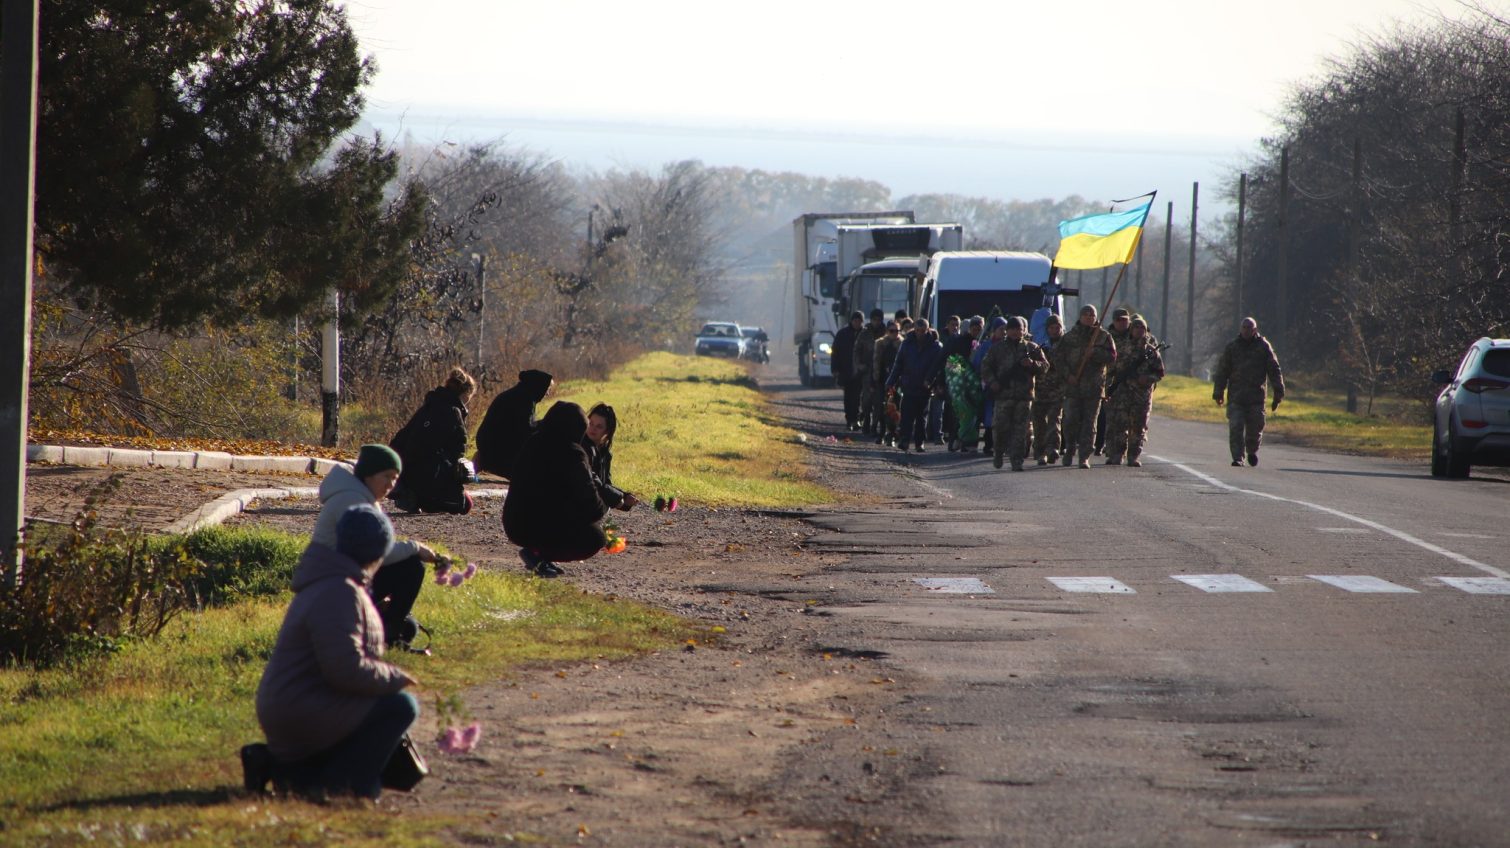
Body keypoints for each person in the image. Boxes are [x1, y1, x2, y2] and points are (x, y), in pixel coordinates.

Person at [248, 504, 420, 800]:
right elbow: (345, 669)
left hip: (299, 702)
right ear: (378, 553)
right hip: (300, 707)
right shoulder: (340, 592)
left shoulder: (334, 583)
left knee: (378, 706)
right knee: (400, 706)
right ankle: (342, 784)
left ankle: (290, 772)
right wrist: (394, 677)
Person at [312, 444, 443, 646]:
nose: (391, 484)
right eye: (387, 476)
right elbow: (377, 554)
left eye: (395, 478)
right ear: (369, 474)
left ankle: (384, 629)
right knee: (411, 566)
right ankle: (388, 636)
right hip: (333, 592)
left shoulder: (362, 496)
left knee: (409, 627)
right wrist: (416, 548)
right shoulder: (352, 501)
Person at [503, 401, 610, 578]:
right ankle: (540, 555)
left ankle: (539, 556)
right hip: (542, 527)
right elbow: (590, 502)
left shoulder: (533, 442)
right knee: (595, 538)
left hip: (514, 523)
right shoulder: (573, 452)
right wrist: (602, 507)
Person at [388, 367, 476, 515]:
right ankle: (427, 498)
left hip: (408, 473)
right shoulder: (453, 411)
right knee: (466, 505)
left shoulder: (427, 407)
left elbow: (401, 438)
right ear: (465, 393)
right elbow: (458, 451)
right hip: (431, 474)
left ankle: (414, 494)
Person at [1213, 317, 1285, 467]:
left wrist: (1278, 393)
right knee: (1236, 428)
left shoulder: (1264, 347)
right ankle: (1238, 457)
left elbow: (1274, 370)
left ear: (1255, 330)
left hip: (1256, 398)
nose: (1246, 330)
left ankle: (1252, 451)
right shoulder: (1232, 347)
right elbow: (1222, 371)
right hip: (1236, 398)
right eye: (1244, 327)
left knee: (1255, 428)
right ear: (1240, 329)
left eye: (1249, 328)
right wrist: (1218, 392)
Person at [979, 317, 1049, 470]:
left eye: (1020, 329)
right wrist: (993, 382)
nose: (1017, 332)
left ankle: (1017, 461)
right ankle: (998, 452)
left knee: (1020, 430)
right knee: (1000, 428)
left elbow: (1045, 366)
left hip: (1024, 396)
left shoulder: (1031, 348)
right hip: (1003, 396)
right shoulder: (997, 348)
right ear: (1007, 330)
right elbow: (985, 367)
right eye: (1013, 329)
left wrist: (1032, 364)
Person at [1057, 305, 1117, 469]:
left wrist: (1095, 354)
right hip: (1073, 387)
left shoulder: (1103, 337)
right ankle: (1069, 449)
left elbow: (1112, 357)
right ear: (1080, 316)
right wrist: (1068, 375)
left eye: (1092, 315)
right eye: (1086, 315)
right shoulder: (1069, 337)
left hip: (1094, 387)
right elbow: (1058, 359)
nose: (1089, 317)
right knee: (1069, 421)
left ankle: (1084, 456)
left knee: (1089, 424)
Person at [1104, 316, 1166, 467]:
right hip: (1121, 394)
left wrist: (1147, 379)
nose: (1139, 331)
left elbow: (1160, 373)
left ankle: (1133, 456)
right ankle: (1117, 454)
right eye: (1136, 328)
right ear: (1131, 330)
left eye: (1142, 328)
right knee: (1119, 425)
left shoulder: (1150, 351)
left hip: (1141, 395)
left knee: (1138, 427)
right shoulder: (1121, 348)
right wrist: (1108, 387)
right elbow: (1110, 370)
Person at [472, 369, 555, 479]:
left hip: (489, 447)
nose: (547, 393)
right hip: (496, 452)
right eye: (547, 389)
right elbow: (525, 432)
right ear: (539, 387)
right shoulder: (525, 400)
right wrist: (546, 424)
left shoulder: (516, 394)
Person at [885, 318, 943, 453]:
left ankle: (919, 442)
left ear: (928, 330)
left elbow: (938, 367)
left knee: (921, 417)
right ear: (914, 330)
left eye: (923, 331)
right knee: (906, 415)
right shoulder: (906, 344)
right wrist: (891, 381)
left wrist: (932, 381)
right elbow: (898, 364)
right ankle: (904, 440)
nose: (920, 333)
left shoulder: (935, 346)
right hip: (909, 384)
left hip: (925, 387)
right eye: (917, 330)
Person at [584, 402, 639, 512]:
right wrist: (618, 497)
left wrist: (625, 496)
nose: (593, 428)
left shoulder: (605, 453)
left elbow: (605, 484)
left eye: (599, 426)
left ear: (607, 431)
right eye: (590, 423)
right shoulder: (580, 448)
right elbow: (589, 480)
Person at [941, 316, 984, 452]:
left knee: (975, 413)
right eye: (974, 328)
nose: (977, 331)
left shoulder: (983, 342)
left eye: (979, 329)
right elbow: (950, 360)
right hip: (961, 382)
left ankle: (970, 442)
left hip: (976, 383)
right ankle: (956, 439)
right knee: (960, 412)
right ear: (970, 328)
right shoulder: (960, 341)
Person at [1093, 308, 1133, 456]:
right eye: (1119, 320)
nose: (1122, 323)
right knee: (1107, 416)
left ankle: (1125, 449)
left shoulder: (1136, 335)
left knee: (1129, 419)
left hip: (1131, 385)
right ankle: (1103, 445)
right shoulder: (1105, 337)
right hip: (1110, 382)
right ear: (1114, 321)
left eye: (1125, 320)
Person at [971, 316, 1008, 456]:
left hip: (1006, 387)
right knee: (989, 415)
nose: (1003, 332)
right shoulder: (986, 346)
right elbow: (977, 364)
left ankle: (1003, 444)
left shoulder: (1009, 345)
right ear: (994, 330)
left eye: (1005, 329)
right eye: (1001, 329)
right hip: (989, 386)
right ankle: (989, 444)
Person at [1033, 314, 1067, 465]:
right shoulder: (1040, 345)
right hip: (1040, 390)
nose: (1054, 330)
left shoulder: (1067, 346)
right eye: (1052, 328)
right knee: (1039, 423)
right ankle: (1040, 452)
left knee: (1054, 421)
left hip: (1058, 390)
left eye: (1057, 327)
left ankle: (1053, 449)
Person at [854, 309, 886, 435]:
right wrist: (859, 365)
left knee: (879, 401)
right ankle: (866, 420)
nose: (876, 322)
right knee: (866, 400)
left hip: (880, 372)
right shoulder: (864, 333)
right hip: (867, 371)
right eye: (874, 320)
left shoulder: (886, 333)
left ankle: (874, 425)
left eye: (879, 320)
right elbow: (856, 351)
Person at [872, 320, 904, 446]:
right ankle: (881, 433)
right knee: (881, 408)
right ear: (887, 331)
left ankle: (892, 435)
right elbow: (875, 363)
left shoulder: (903, 344)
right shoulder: (880, 344)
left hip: (898, 383)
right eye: (892, 331)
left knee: (896, 410)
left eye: (897, 331)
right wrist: (874, 380)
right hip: (882, 381)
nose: (894, 333)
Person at [832, 311, 865, 431]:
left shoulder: (865, 334)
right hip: (846, 370)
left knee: (858, 398)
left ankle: (857, 419)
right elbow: (835, 352)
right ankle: (849, 419)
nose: (857, 323)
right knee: (848, 397)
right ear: (851, 321)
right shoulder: (842, 334)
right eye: (855, 320)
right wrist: (835, 369)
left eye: (859, 321)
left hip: (860, 372)